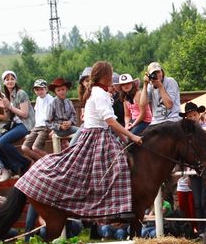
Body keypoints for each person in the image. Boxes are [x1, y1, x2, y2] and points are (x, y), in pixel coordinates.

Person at [15, 61, 143, 219]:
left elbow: (110, 123)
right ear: (104, 77)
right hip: (97, 136)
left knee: (119, 160)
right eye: (110, 74)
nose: (111, 77)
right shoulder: (99, 94)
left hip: (102, 133)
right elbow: (110, 121)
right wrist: (132, 136)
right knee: (116, 165)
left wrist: (125, 139)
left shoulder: (100, 92)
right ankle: (113, 210)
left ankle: (118, 206)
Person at [0, 70, 34, 176]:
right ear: (4, 82)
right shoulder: (8, 95)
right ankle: (10, 168)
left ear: (16, 80)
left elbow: (24, 114)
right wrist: (5, 107)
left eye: (12, 79)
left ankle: (24, 162)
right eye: (7, 79)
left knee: (3, 142)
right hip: (15, 124)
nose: (10, 81)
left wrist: (9, 107)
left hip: (25, 124)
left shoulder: (21, 93)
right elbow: (9, 117)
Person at [136, 62, 180, 126]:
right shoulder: (150, 85)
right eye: (154, 73)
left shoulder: (170, 81)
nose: (157, 75)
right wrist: (145, 85)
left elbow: (169, 105)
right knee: (146, 135)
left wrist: (160, 87)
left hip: (172, 118)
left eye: (158, 72)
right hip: (157, 121)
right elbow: (143, 103)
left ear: (162, 71)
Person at [21, 79, 53, 162]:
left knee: (35, 148)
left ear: (46, 89)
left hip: (46, 126)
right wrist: (33, 127)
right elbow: (37, 114)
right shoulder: (38, 99)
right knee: (24, 148)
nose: (40, 92)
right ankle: (42, 162)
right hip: (37, 126)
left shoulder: (51, 100)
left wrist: (53, 129)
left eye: (42, 89)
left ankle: (52, 161)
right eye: (37, 90)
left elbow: (54, 116)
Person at [47, 78, 79, 147]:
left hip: (69, 127)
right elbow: (48, 122)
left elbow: (73, 115)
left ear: (66, 89)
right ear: (55, 92)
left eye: (63, 89)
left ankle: (72, 147)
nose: (61, 92)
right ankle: (71, 148)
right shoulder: (52, 103)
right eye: (58, 90)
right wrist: (60, 126)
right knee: (81, 131)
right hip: (59, 130)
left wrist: (70, 122)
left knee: (81, 131)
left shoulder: (69, 102)